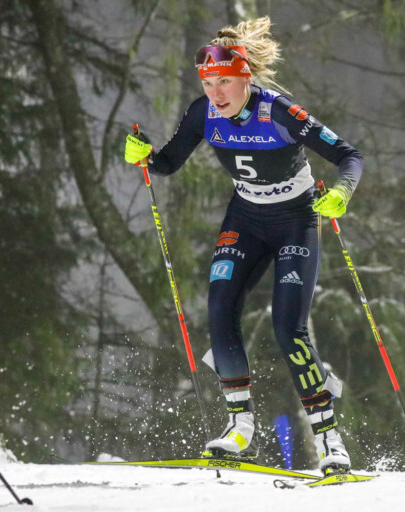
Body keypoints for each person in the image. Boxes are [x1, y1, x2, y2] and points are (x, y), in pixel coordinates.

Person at [123, 17, 363, 475]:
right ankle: (240, 429)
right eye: (209, 82)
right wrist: (145, 157)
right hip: (246, 219)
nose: (216, 93)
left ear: (245, 78)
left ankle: (331, 440)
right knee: (219, 309)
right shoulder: (203, 112)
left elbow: (349, 155)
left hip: (295, 220)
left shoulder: (279, 111)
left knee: (289, 329)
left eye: (225, 82)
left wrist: (341, 194)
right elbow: (168, 162)